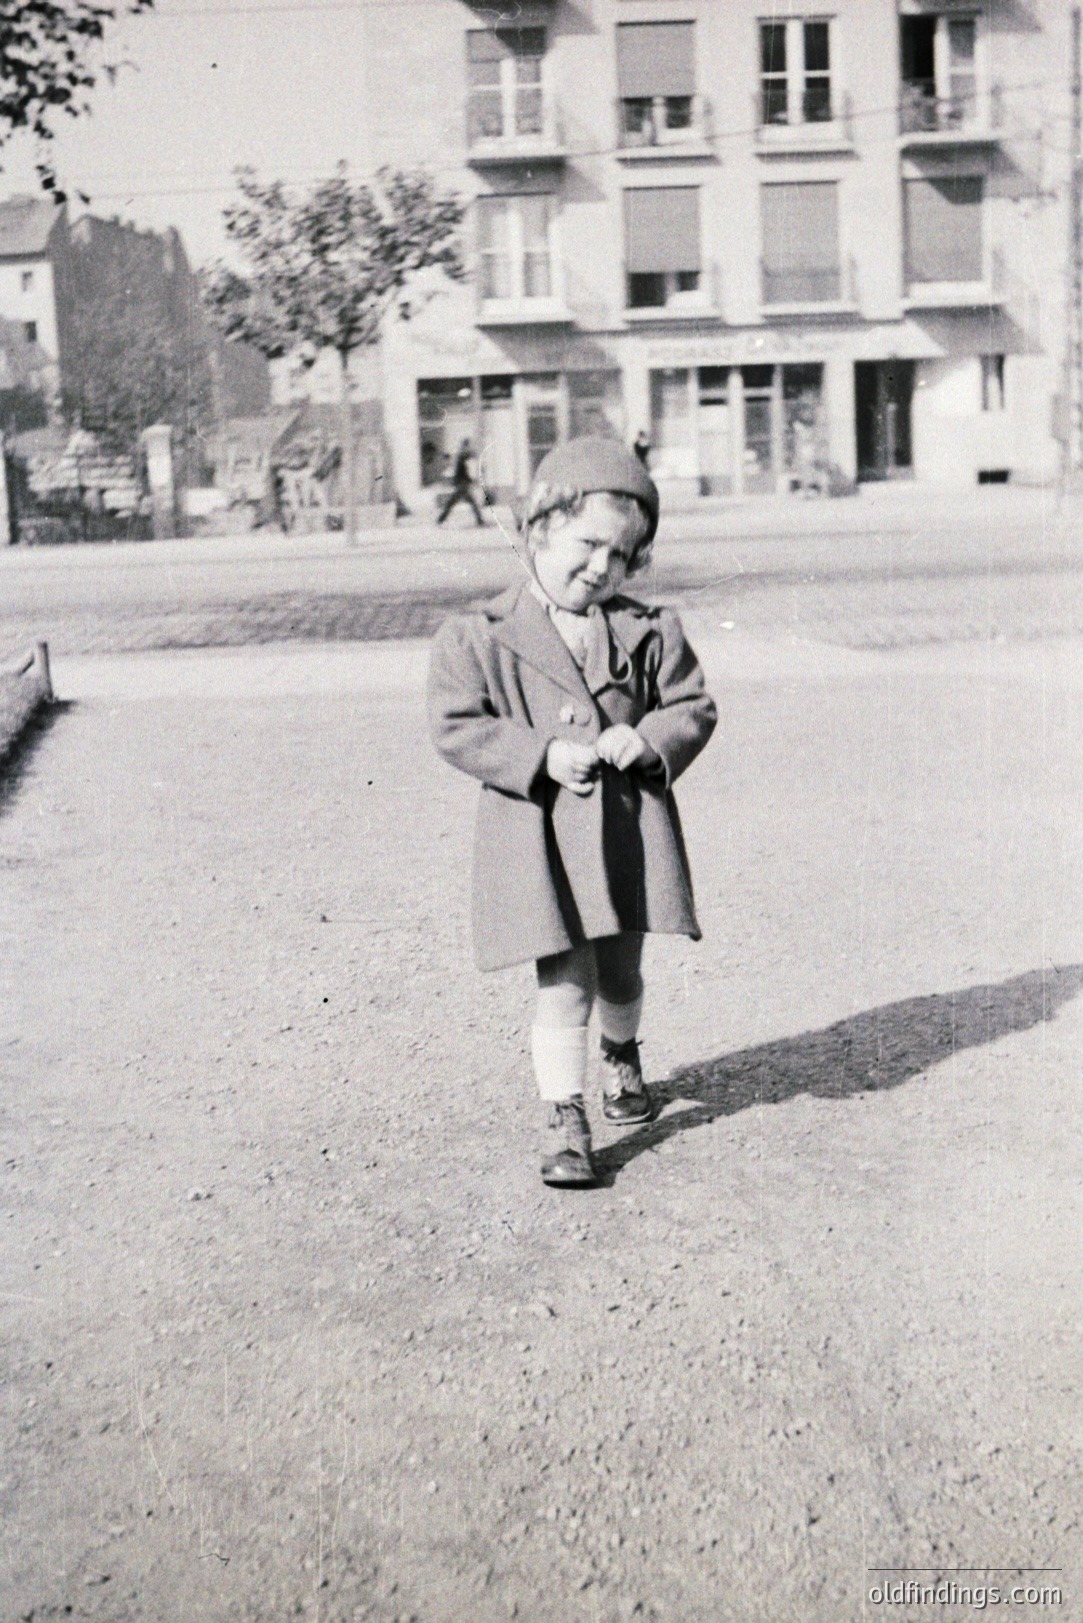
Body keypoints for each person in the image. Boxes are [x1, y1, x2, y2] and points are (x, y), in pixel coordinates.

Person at [428, 437, 716, 1188]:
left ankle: (621, 1057)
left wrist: (646, 736)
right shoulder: (478, 634)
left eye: (620, 556)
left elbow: (691, 705)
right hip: (543, 837)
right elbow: (457, 724)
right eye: (587, 544)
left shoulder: (648, 630)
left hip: (624, 828)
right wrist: (536, 754)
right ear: (536, 529)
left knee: (621, 969)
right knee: (564, 979)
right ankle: (566, 1114)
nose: (600, 567)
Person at [437, 438, 486, 527]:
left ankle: (441, 519)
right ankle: (480, 520)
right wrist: (475, 454)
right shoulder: (462, 455)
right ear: (465, 445)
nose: (468, 447)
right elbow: (468, 456)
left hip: (461, 483)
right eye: (467, 445)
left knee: (456, 502)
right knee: (467, 502)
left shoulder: (460, 455)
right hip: (462, 483)